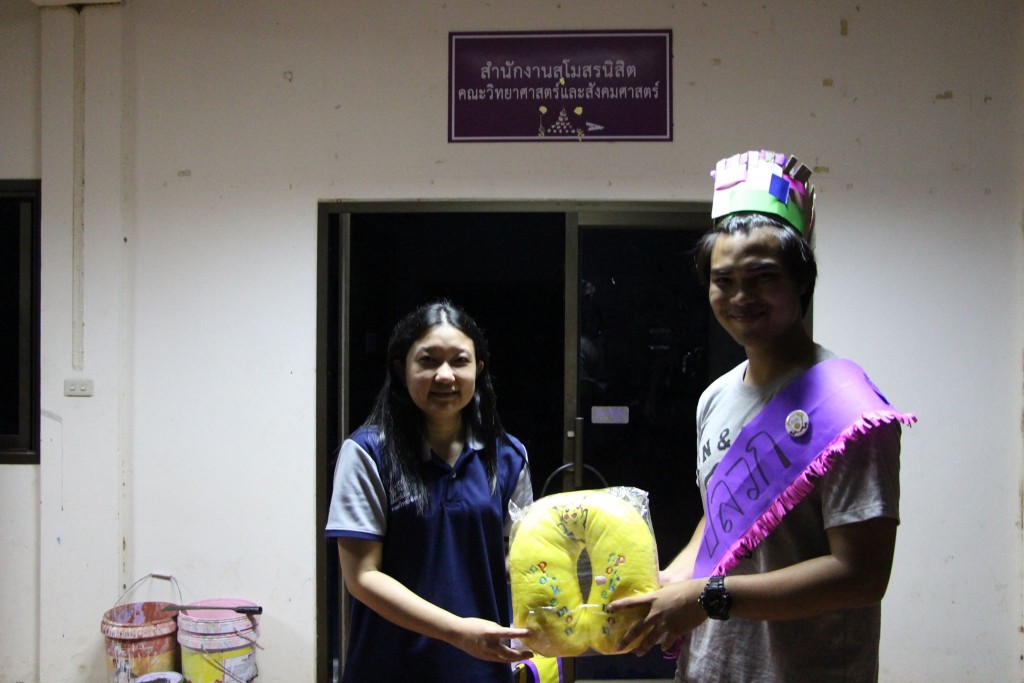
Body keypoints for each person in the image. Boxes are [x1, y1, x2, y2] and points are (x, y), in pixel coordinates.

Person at [610, 150, 915, 682]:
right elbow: (721, 517)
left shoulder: (850, 408)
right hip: (709, 667)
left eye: (762, 277)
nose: (740, 296)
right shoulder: (714, 398)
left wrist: (706, 597)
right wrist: (672, 581)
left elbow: (860, 575)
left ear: (801, 281)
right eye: (723, 280)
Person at [325, 300, 535, 682]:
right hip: (389, 670)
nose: (445, 375)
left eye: (459, 361)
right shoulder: (368, 453)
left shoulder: (508, 457)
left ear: (478, 369)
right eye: (428, 360)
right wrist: (458, 632)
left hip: (483, 670)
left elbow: (520, 564)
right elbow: (362, 577)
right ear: (401, 368)